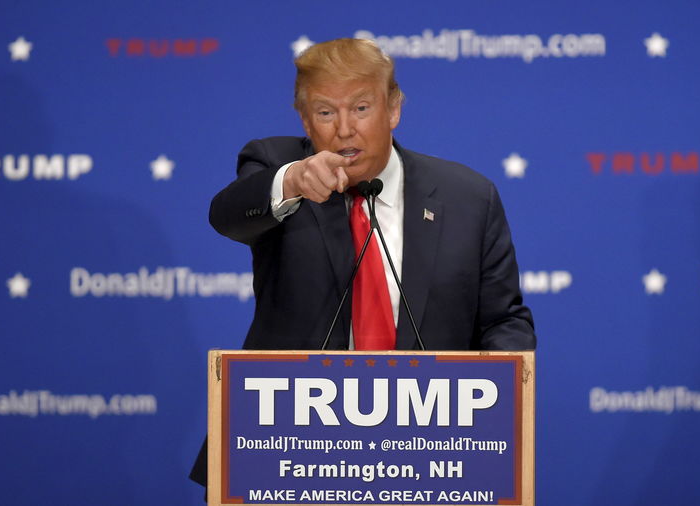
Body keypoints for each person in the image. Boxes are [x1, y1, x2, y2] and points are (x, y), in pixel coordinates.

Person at [190, 37, 535, 489]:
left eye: (361, 107)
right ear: (304, 119)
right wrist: (290, 182)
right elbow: (228, 217)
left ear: (394, 109)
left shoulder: (468, 198)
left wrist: (489, 407)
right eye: (326, 112)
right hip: (292, 454)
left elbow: (504, 320)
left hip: (431, 456)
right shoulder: (278, 165)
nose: (344, 130)